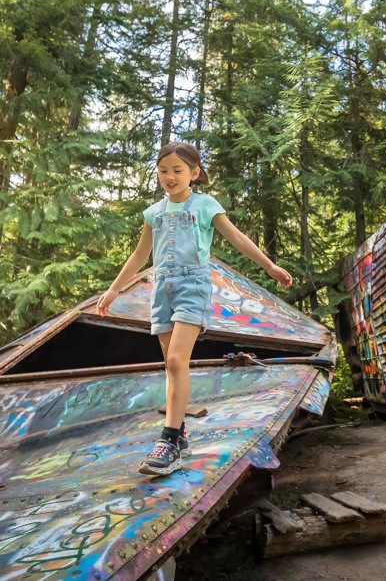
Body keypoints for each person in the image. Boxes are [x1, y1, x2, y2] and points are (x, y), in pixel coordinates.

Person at [96, 142, 293, 475]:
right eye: (163, 171)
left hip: (193, 285)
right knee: (171, 368)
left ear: (194, 174)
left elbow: (237, 238)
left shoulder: (204, 205)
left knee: (176, 359)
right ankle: (179, 434)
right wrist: (114, 289)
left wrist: (270, 266)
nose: (170, 177)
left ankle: (169, 439)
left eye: (177, 170)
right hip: (163, 290)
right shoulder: (154, 213)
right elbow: (139, 255)